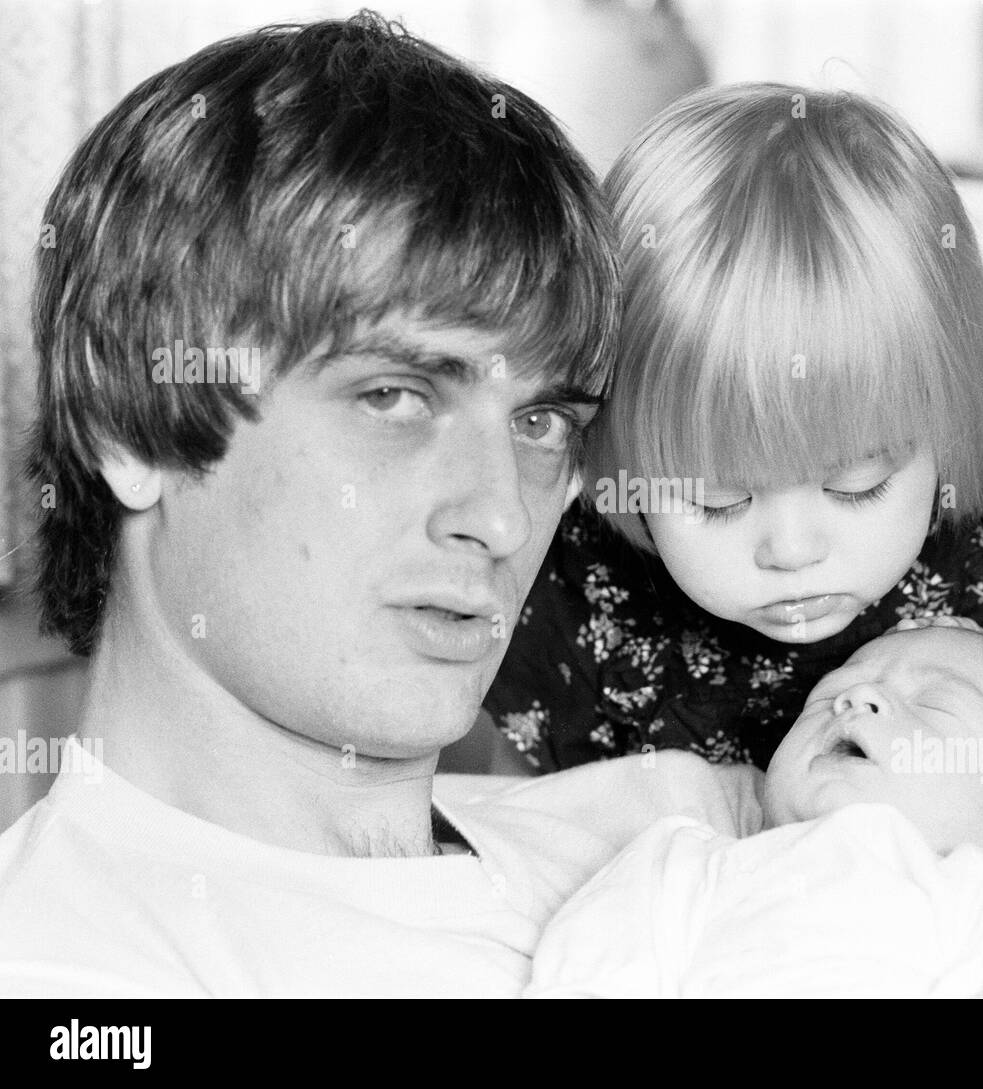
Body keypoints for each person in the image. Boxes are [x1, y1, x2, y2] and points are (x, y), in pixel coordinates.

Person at [0, 12, 703, 998]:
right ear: (134, 425)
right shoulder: (64, 972)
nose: (500, 519)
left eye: (542, 421)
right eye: (394, 398)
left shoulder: (679, 835)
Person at [484, 83, 983, 990]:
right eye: (717, 500)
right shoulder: (588, 598)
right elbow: (522, 820)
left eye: (857, 484)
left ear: (946, 424)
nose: (791, 549)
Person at [525, 623, 983, 998]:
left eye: (936, 703)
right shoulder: (684, 860)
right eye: (828, 695)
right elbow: (591, 970)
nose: (854, 697)